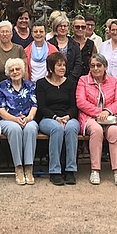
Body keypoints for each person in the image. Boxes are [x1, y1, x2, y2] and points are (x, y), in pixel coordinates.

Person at [76, 53, 117, 186]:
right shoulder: (83, 80)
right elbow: (80, 102)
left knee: (114, 131)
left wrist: (107, 112)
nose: (96, 68)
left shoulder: (113, 81)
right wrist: (99, 113)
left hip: (110, 117)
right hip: (89, 117)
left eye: (99, 65)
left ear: (105, 67)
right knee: (96, 130)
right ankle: (95, 170)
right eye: (93, 66)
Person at [36, 52, 79, 185]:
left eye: (64, 65)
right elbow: (42, 107)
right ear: (50, 68)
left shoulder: (70, 83)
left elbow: (74, 106)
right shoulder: (41, 83)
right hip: (49, 118)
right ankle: (55, 171)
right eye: (59, 65)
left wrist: (67, 117)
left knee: (71, 128)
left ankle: (70, 170)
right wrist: (55, 117)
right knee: (57, 129)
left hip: (68, 117)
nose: (62, 68)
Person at [0, 58, 38, 185]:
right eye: (12, 70)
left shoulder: (30, 85)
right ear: (8, 72)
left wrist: (29, 118)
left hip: (27, 118)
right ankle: (18, 167)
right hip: (7, 119)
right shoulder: (2, 86)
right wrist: (15, 119)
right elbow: (0, 109)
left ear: (22, 70)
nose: (15, 72)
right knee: (14, 129)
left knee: (31, 128)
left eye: (17, 69)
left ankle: (29, 167)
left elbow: (34, 105)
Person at [48, 14, 83, 82]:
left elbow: (78, 64)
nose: (63, 28)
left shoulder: (75, 45)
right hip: (53, 80)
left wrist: (69, 79)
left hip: (71, 81)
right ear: (55, 27)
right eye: (60, 26)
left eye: (65, 26)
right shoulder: (49, 44)